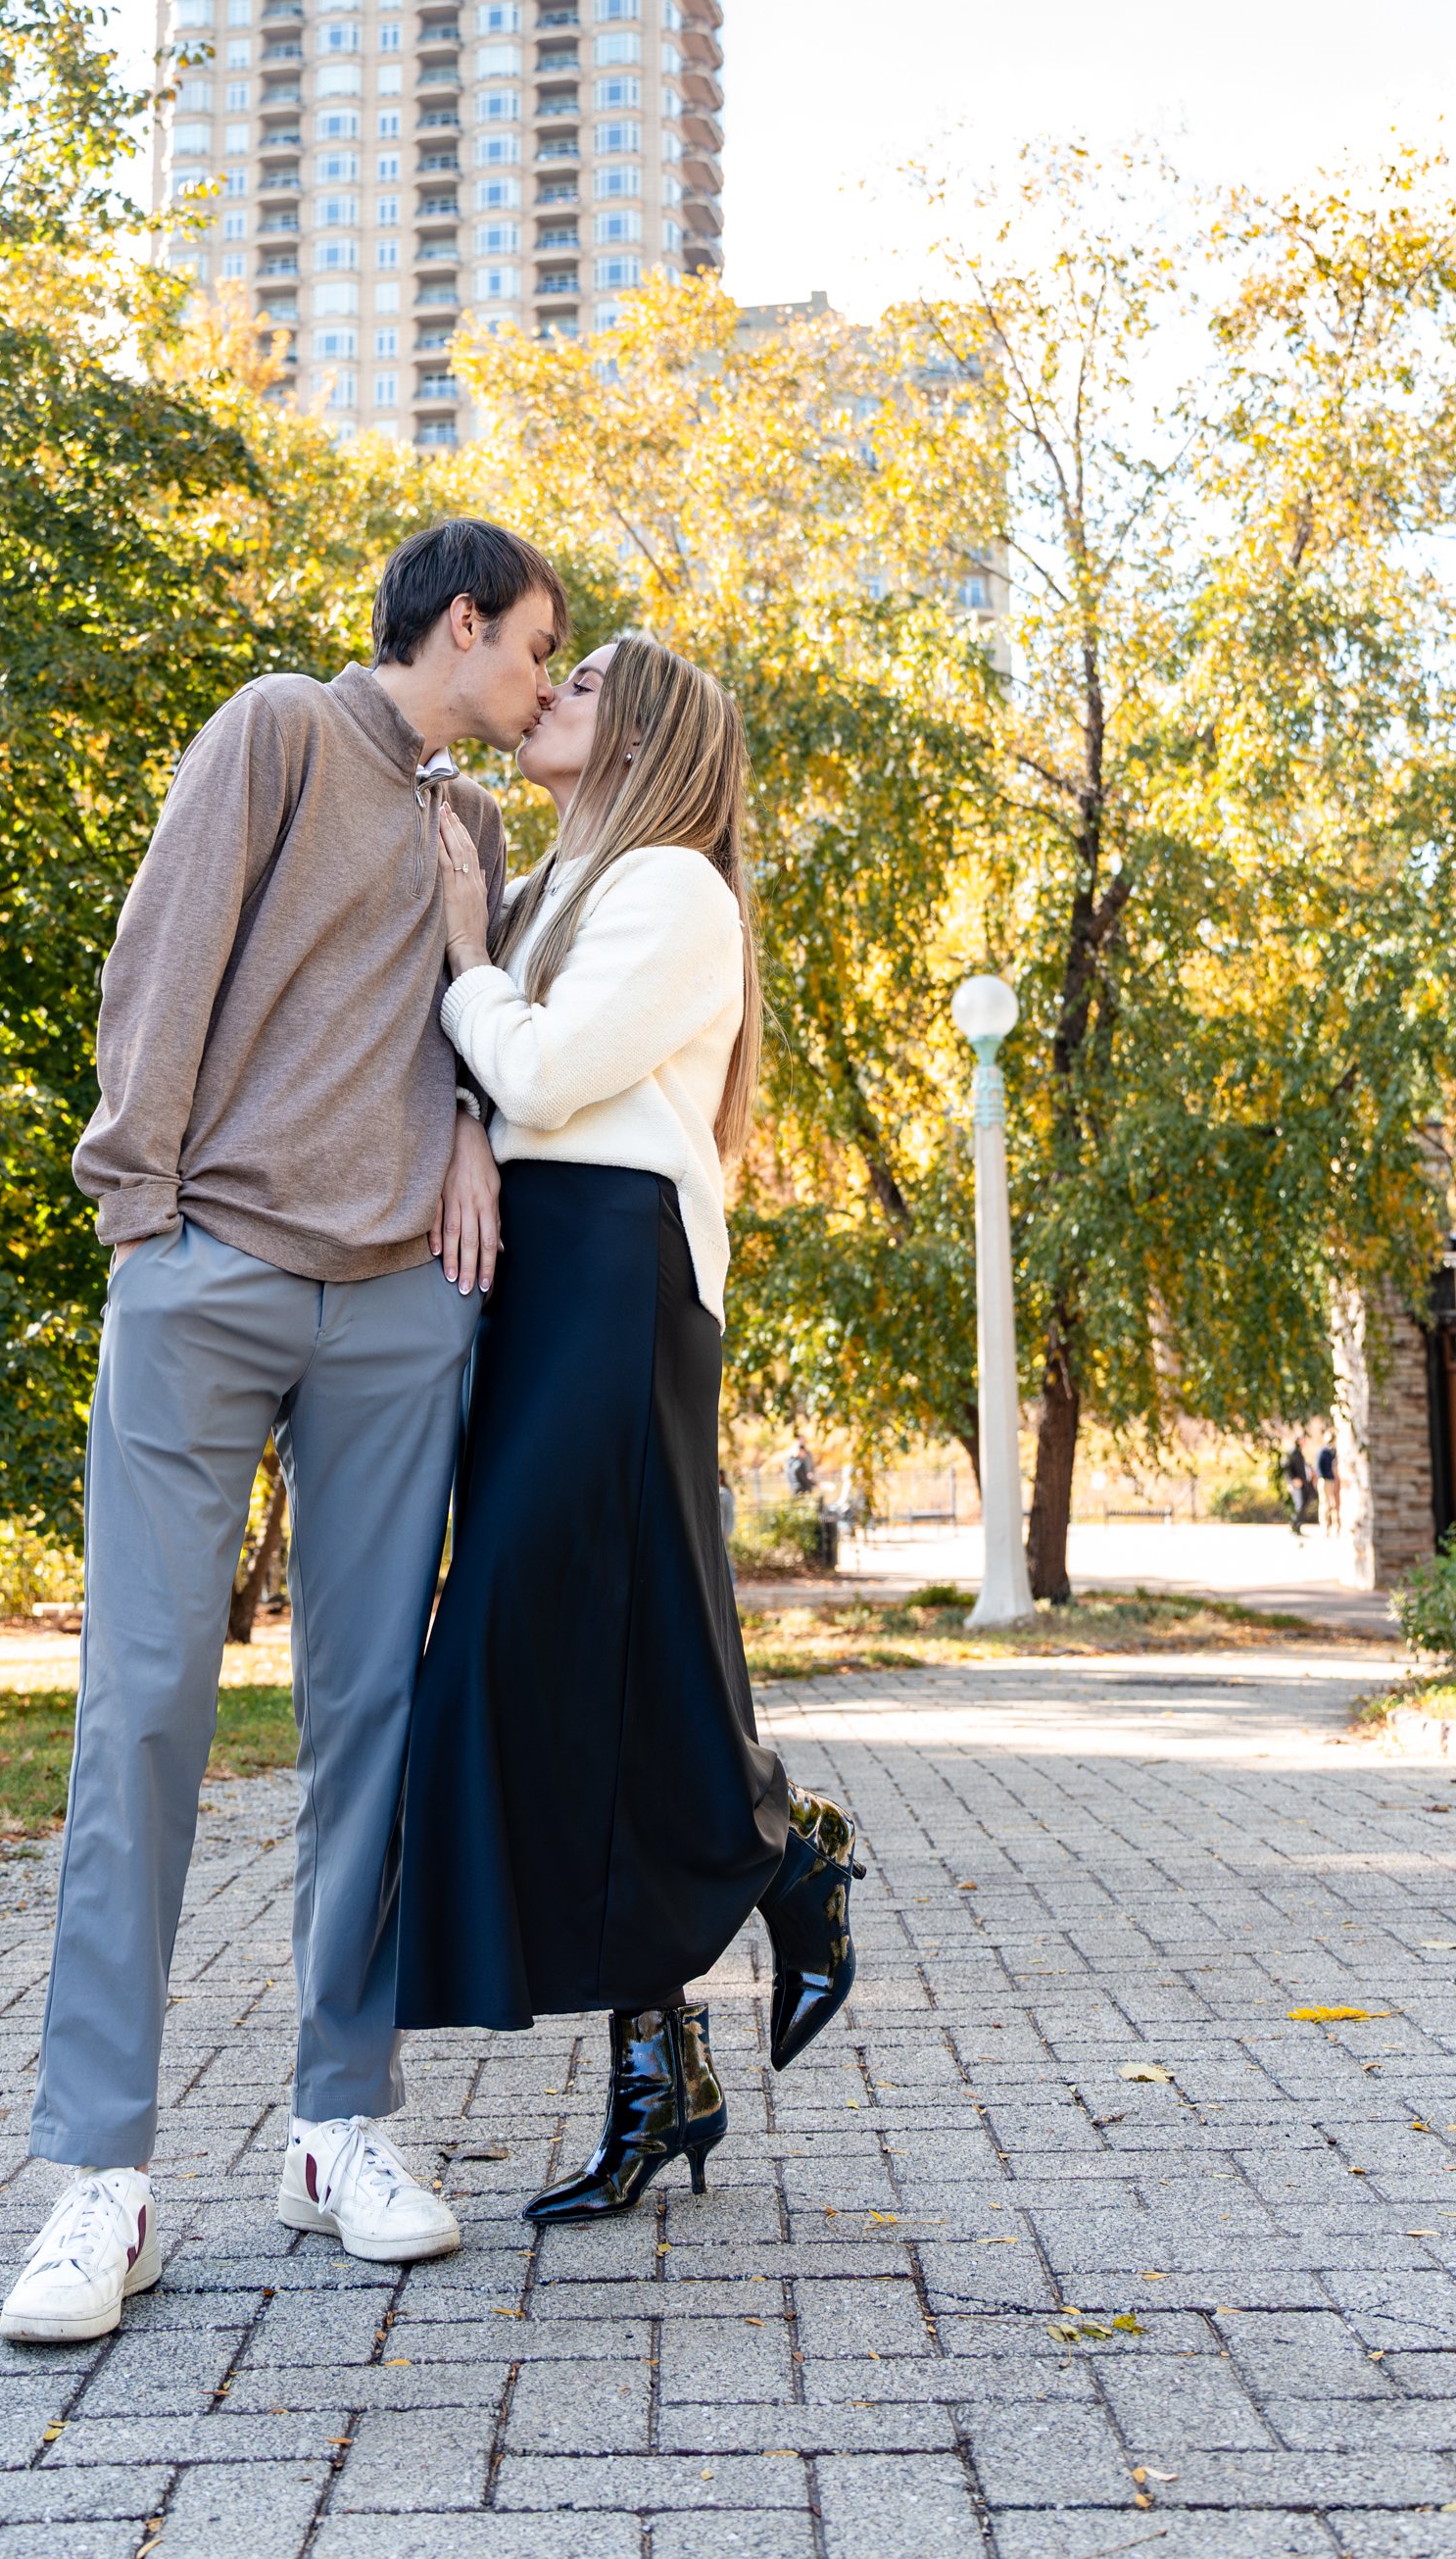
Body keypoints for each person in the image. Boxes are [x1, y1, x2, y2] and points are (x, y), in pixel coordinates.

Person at [0, 520, 566, 2346]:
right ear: (458, 623)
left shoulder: (471, 826)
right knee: (146, 1699)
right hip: (212, 1271)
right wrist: (139, 1224)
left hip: (403, 1310)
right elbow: (160, 969)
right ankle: (105, 2177)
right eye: (537, 647)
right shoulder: (275, 732)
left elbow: (463, 1042)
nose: (548, 682)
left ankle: (340, 2128)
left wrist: (469, 1141)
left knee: (373, 1720)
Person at [395, 634, 866, 2225]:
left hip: (613, 1263)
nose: (551, 693)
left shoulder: (672, 888)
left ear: (645, 732)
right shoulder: (570, 891)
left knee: (534, 1634)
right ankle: (660, 2064)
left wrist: (469, 957)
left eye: (581, 680)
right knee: (605, 1651)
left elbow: (540, 1070)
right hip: (546, 1275)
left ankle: (784, 1849)